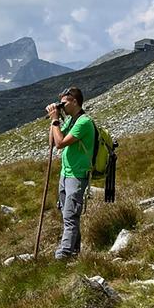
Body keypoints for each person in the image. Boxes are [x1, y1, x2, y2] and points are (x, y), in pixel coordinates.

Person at [45, 86, 95, 260]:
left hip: (77, 175)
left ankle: (63, 255)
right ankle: (74, 252)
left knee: (70, 215)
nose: (62, 106)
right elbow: (52, 142)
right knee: (67, 213)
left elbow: (60, 144)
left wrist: (56, 119)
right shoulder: (71, 121)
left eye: (64, 103)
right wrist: (54, 120)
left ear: (74, 101)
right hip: (66, 174)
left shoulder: (83, 122)